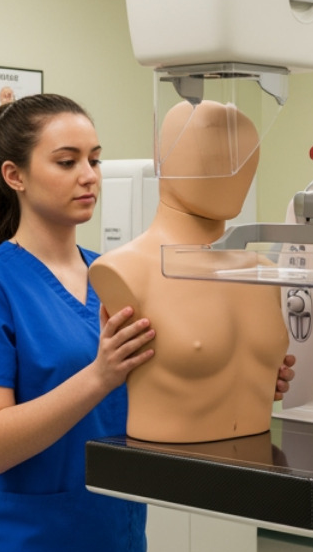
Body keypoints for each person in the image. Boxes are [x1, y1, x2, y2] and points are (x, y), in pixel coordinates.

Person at [0, 93, 292, 552]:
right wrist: (99, 376)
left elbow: (156, 400)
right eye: (67, 161)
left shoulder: (115, 273)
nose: (89, 176)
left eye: (94, 159)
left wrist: (247, 383)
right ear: (14, 176)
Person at [91, 100, 289, 444]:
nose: (231, 170)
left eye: (244, 158)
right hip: (170, 463)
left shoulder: (263, 272)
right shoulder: (124, 270)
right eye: (212, 153)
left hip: (258, 458)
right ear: (163, 159)